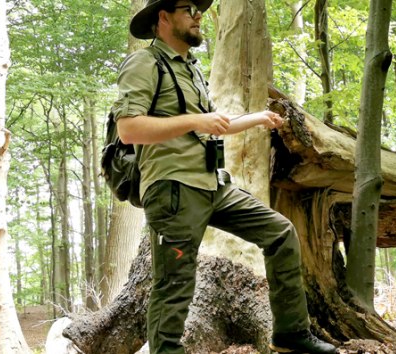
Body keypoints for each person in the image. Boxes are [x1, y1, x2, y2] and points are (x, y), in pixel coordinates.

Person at [113, 1, 339, 353]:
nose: (198, 14)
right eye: (188, 8)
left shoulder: (190, 68)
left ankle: (291, 333)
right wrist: (195, 121)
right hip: (174, 190)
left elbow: (214, 123)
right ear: (164, 17)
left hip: (212, 184)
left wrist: (258, 118)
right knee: (174, 284)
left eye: (199, 8)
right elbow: (128, 129)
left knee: (280, 233)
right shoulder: (145, 63)